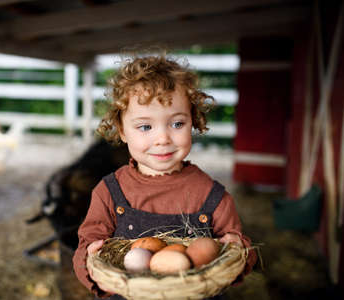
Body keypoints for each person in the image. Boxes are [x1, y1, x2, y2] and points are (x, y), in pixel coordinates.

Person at [72, 53, 257, 299]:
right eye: (145, 126)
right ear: (122, 131)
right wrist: (90, 259)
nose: (163, 139)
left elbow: (240, 254)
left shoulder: (211, 195)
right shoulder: (109, 191)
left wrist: (238, 248)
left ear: (193, 121)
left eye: (177, 124)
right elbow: (87, 246)